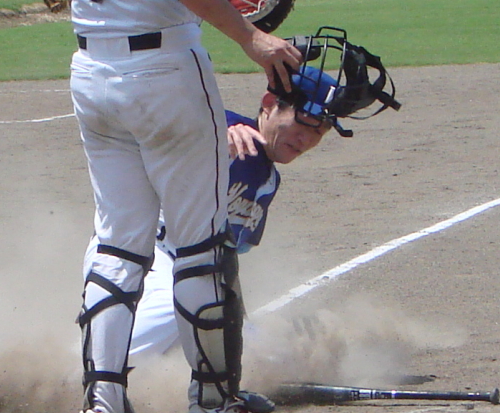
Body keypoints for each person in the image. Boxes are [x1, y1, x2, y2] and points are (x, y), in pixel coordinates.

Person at [55, 0, 302, 413]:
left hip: (92, 69)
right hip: (164, 67)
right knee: (201, 246)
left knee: (116, 244)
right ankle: (214, 410)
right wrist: (250, 37)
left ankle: (102, 408)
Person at [94, 67, 342, 367]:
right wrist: (212, 133)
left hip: (194, 270)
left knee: (269, 358)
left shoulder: (267, 182)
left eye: (319, 131)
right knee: (180, 306)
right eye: (302, 123)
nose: (305, 139)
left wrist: (236, 320)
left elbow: (228, 257)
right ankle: (82, 371)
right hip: (145, 251)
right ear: (269, 104)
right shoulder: (221, 129)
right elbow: (162, 116)